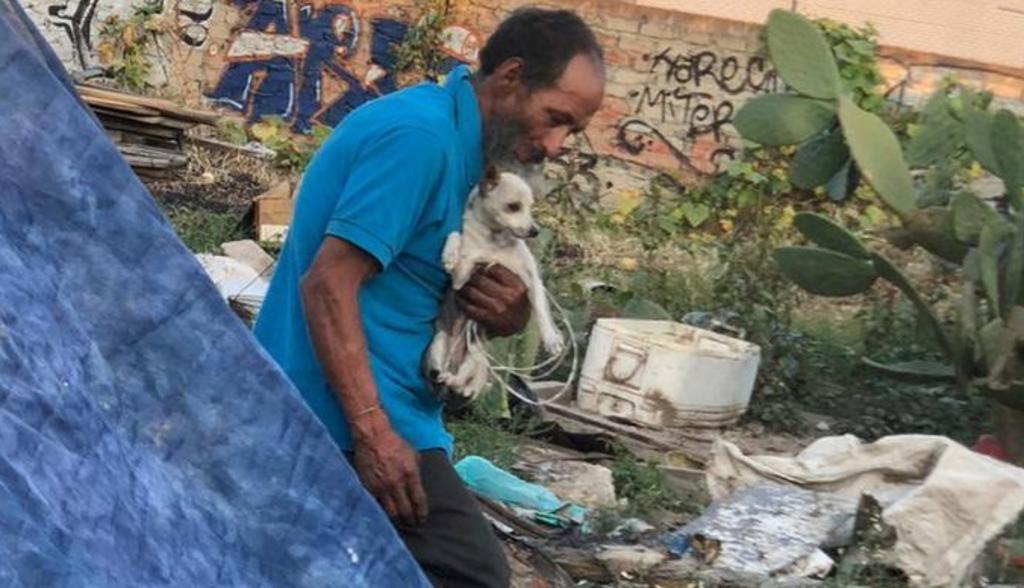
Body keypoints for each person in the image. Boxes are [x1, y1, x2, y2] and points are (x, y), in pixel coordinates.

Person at [253, 8, 605, 587]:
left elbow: (417, 283)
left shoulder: (474, 153)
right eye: (555, 119)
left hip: (399, 414)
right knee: (470, 572)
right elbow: (327, 283)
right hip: (332, 417)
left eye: (572, 131)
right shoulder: (420, 139)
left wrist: (504, 313)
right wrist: (373, 434)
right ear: (511, 77)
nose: (557, 145)